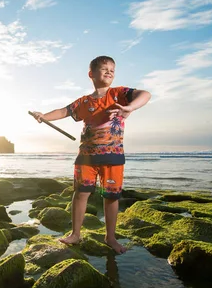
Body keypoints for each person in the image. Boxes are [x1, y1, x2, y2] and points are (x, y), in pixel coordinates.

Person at [31, 56, 151, 253]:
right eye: (104, 69)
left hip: (113, 156)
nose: (109, 72)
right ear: (91, 74)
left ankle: (110, 237)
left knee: (111, 197)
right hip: (86, 156)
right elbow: (64, 111)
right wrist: (43, 116)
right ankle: (75, 234)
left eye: (112, 69)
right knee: (80, 194)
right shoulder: (84, 102)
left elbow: (145, 94)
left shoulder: (119, 94)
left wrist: (130, 107)